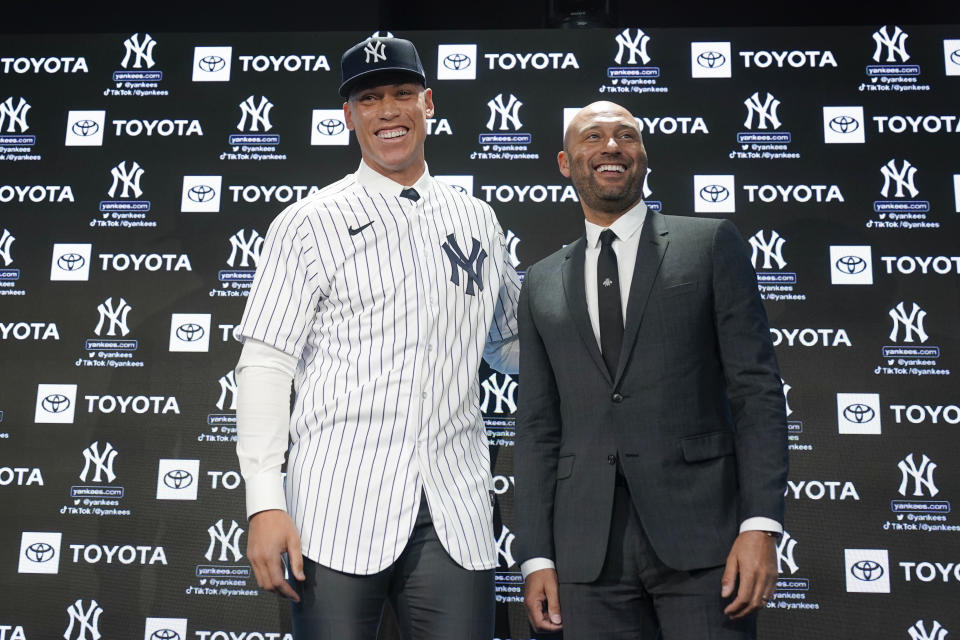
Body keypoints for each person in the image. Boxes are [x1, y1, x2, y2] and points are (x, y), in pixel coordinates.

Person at [234, 36, 520, 640]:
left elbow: (509, 344)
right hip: (335, 508)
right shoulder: (308, 223)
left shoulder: (478, 219)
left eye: (401, 94)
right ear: (349, 116)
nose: (388, 110)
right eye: (369, 98)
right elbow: (265, 366)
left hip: (455, 513)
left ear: (428, 103)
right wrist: (265, 499)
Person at [514, 101, 788, 639]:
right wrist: (536, 556)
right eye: (593, 137)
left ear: (642, 156)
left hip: (705, 543)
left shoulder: (708, 245)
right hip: (585, 555)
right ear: (566, 163)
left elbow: (756, 392)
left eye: (627, 136)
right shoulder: (541, 280)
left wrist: (760, 525)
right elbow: (537, 428)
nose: (611, 147)